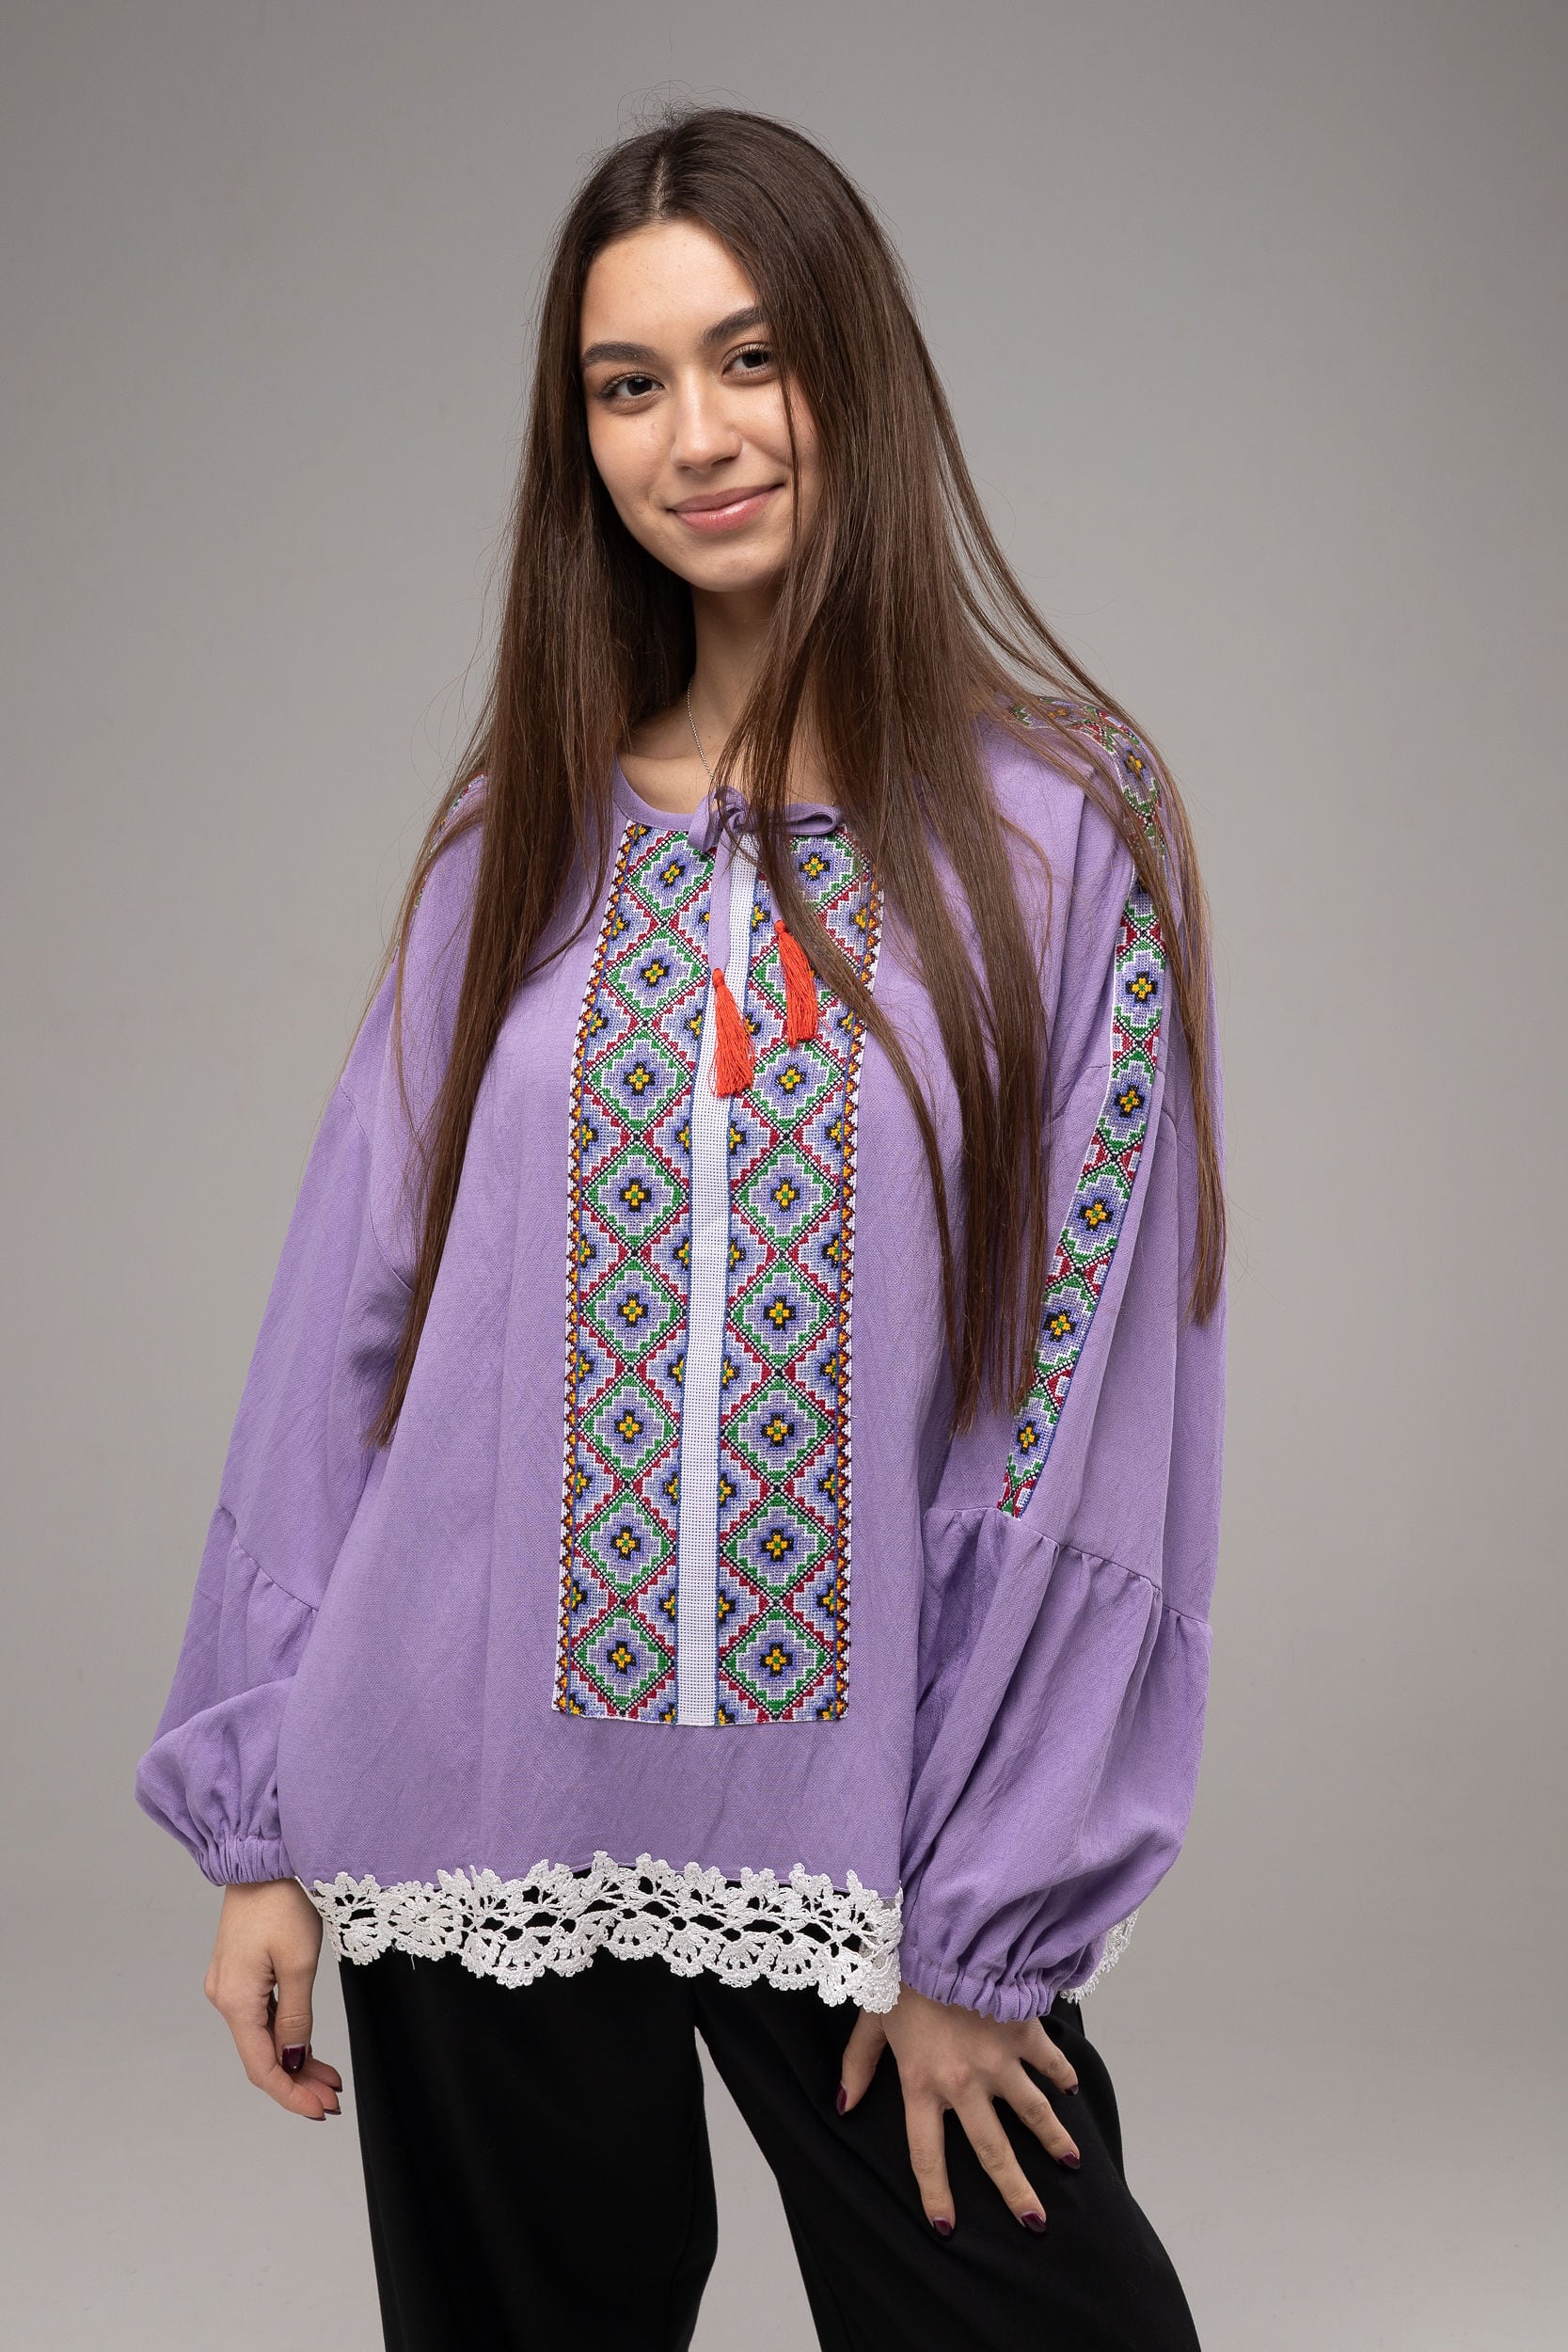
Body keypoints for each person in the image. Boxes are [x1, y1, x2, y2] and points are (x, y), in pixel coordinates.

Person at [136, 103, 1227, 2352]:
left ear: (855, 372)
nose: (694, 436)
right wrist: (262, 1820)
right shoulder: (514, 844)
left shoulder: (1059, 833)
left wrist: (981, 1919)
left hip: (872, 1829)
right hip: (469, 1806)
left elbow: (1086, 1401)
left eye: (749, 358)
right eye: (627, 385)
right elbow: (348, 1338)